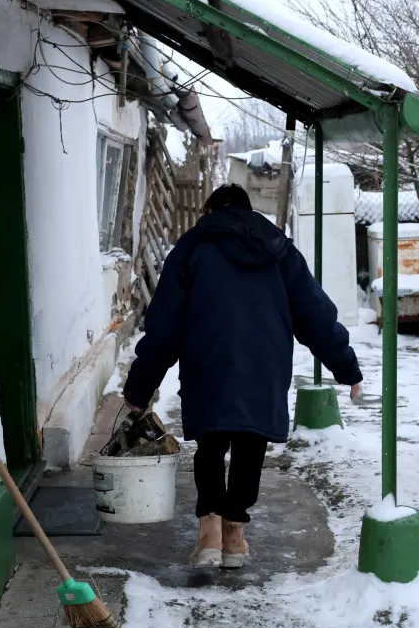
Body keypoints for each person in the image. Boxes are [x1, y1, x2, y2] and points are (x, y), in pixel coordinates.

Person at [122, 184, 362, 569]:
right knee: (251, 447)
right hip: (264, 367)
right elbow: (315, 313)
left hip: (207, 362)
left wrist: (139, 386)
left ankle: (209, 537)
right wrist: (346, 366)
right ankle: (234, 537)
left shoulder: (192, 248)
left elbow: (165, 324)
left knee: (211, 445)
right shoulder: (281, 250)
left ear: (210, 210)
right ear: (250, 212)